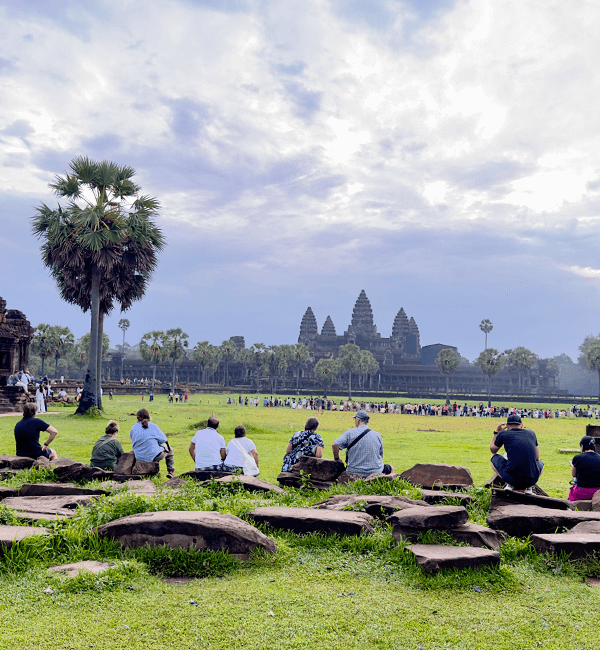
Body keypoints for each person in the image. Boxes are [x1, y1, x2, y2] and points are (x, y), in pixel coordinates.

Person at [490, 414, 543, 493]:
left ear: (507, 426)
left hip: (512, 479)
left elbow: (493, 450)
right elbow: (537, 458)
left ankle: (509, 484)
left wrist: (496, 432)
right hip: (531, 480)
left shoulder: (503, 434)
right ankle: (529, 488)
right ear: (521, 426)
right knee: (540, 463)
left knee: (493, 457)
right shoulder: (531, 433)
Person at [332, 410, 393, 476]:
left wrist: (337, 458)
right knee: (391, 468)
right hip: (375, 471)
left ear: (357, 420)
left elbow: (335, 445)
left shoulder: (349, 433)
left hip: (353, 471)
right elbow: (380, 455)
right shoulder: (377, 435)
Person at [129, 409, 175, 478]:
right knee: (169, 449)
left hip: (139, 456)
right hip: (153, 456)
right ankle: (171, 471)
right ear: (149, 416)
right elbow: (164, 439)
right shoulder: (153, 426)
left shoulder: (133, 428)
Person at [568, 436, 600, 501]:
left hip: (581, 492)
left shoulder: (577, 458)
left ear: (582, 446)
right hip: (597, 492)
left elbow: (573, 475)